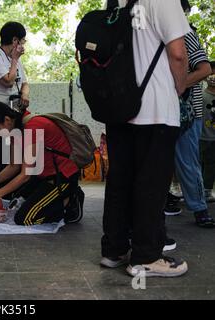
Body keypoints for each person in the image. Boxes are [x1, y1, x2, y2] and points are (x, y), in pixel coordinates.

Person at [100, 0, 191, 278]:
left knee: (120, 182)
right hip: (155, 109)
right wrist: (179, 87)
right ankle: (146, 257)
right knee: (151, 185)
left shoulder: (115, 1)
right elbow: (178, 53)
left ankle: (113, 250)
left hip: (120, 108)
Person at [0, 101, 83, 226]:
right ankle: (57, 200)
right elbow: (14, 165)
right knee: (15, 203)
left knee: (24, 219)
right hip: (42, 176)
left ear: (7, 120)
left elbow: (25, 175)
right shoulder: (14, 131)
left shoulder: (32, 127)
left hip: (62, 177)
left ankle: (69, 205)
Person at [163, 0, 214, 228]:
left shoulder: (186, 35)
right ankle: (169, 200)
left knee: (187, 161)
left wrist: (179, 85)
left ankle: (199, 209)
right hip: (163, 110)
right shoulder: (157, 33)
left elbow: (205, 69)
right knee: (162, 161)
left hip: (187, 111)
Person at [0, 22, 30, 176]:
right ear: (15, 40)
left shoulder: (15, 60)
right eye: (22, 41)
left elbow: (25, 82)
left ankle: (9, 186)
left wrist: (25, 94)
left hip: (12, 112)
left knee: (12, 152)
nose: (23, 45)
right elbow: (8, 81)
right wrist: (15, 59)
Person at [200, 62, 215, 203]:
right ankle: (205, 191)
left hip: (211, 136)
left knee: (210, 164)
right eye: (211, 74)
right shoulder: (202, 96)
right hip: (204, 136)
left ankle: (206, 190)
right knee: (206, 164)